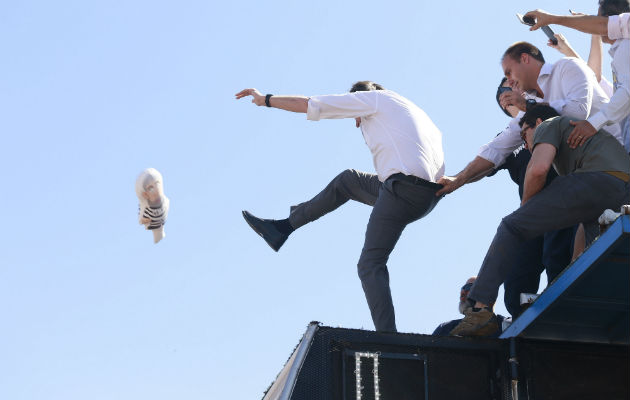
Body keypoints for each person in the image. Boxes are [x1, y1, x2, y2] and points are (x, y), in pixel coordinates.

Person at [235, 82, 445, 332]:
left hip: (402, 189)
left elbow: (309, 104)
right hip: (426, 194)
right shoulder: (408, 109)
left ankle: (388, 337)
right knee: (349, 180)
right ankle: (283, 227)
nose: (356, 122)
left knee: (370, 264)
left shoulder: (373, 99)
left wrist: (265, 99)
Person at [450, 104, 630, 336]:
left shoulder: (549, 124)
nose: (524, 144)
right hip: (621, 194)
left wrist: (525, 214)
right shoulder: (588, 148)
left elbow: (538, 169)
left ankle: (480, 309)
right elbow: (586, 220)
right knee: (597, 261)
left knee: (511, 226)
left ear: (536, 124)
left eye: (524, 134)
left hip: (598, 183)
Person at [437, 41, 622, 198]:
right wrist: (457, 180)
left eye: (509, 72)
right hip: (588, 177)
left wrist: (528, 105)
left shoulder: (568, 66)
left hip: (619, 162)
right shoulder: (529, 108)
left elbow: (578, 112)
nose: (509, 82)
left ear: (525, 58)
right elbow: (496, 149)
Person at [525, 2, 630, 151]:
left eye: (595, 18)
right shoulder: (621, 53)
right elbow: (594, 80)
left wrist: (593, 124)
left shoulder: (625, 47)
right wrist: (568, 50)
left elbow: (627, 92)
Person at [432, 277, 505, 337]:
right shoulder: (445, 329)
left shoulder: (506, 326)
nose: (462, 292)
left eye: (468, 287)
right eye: (462, 289)